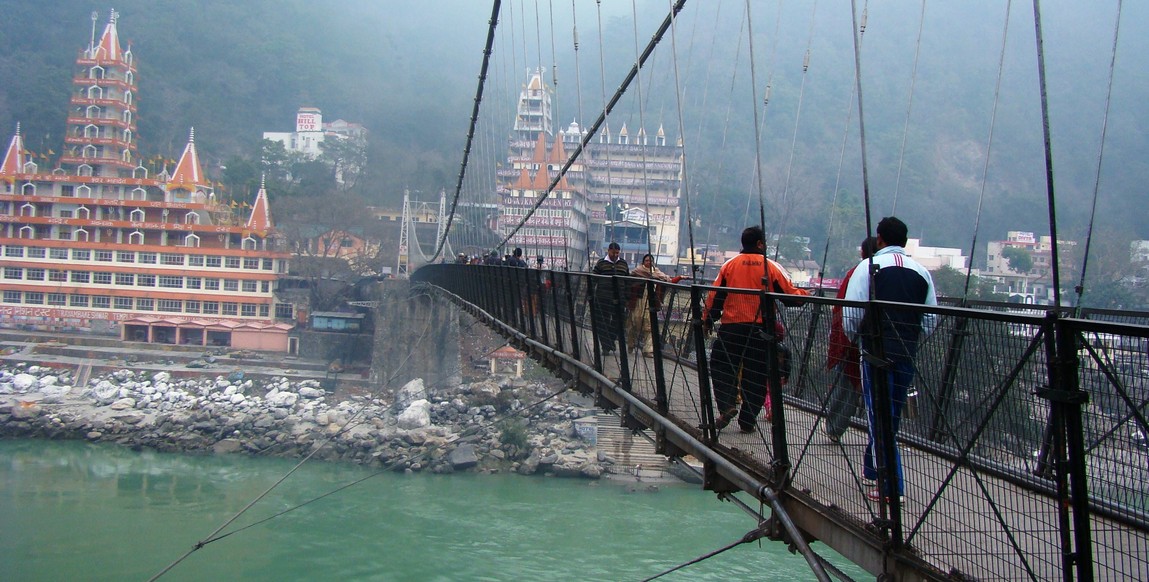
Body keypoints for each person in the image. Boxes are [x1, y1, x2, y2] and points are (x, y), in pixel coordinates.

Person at [843, 216, 938, 502]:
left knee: (878, 417)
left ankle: (891, 488)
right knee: (891, 416)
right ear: (905, 241)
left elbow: (852, 313)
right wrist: (910, 338)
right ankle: (873, 470)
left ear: (880, 239)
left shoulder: (868, 268)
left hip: (874, 354)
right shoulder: (921, 272)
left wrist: (856, 340)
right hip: (906, 353)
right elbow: (931, 319)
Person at [701, 226, 809, 433]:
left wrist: (708, 320)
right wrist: (806, 295)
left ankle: (727, 405)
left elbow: (715, 296)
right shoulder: (771, 267)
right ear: (760, 244)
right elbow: (791, 295)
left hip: (732, 327)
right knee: (756, 375)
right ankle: (748, 420)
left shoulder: (729, 266)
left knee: (722, 365)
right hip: (761, 330)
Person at [823, 236, 878, 442]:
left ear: (863, 253)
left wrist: (846, 335)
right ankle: (880, 433)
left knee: (847, 383)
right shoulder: (879, 272)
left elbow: (843, 307)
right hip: (880, 338)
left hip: (853, 337)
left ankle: (835, 427)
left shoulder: (855, 273)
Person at [592, 242, 630, 355]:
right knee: (602, 321)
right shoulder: (601, 263)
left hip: (619, 298)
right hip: (603, 297)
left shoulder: (623, 263)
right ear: (608, 251)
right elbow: (594, 278)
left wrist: (627, 295)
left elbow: (627, 280)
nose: (615, 255)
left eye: (617, 253)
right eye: (613, 252)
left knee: (619, 321)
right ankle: (606, 346)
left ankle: (610, 341)